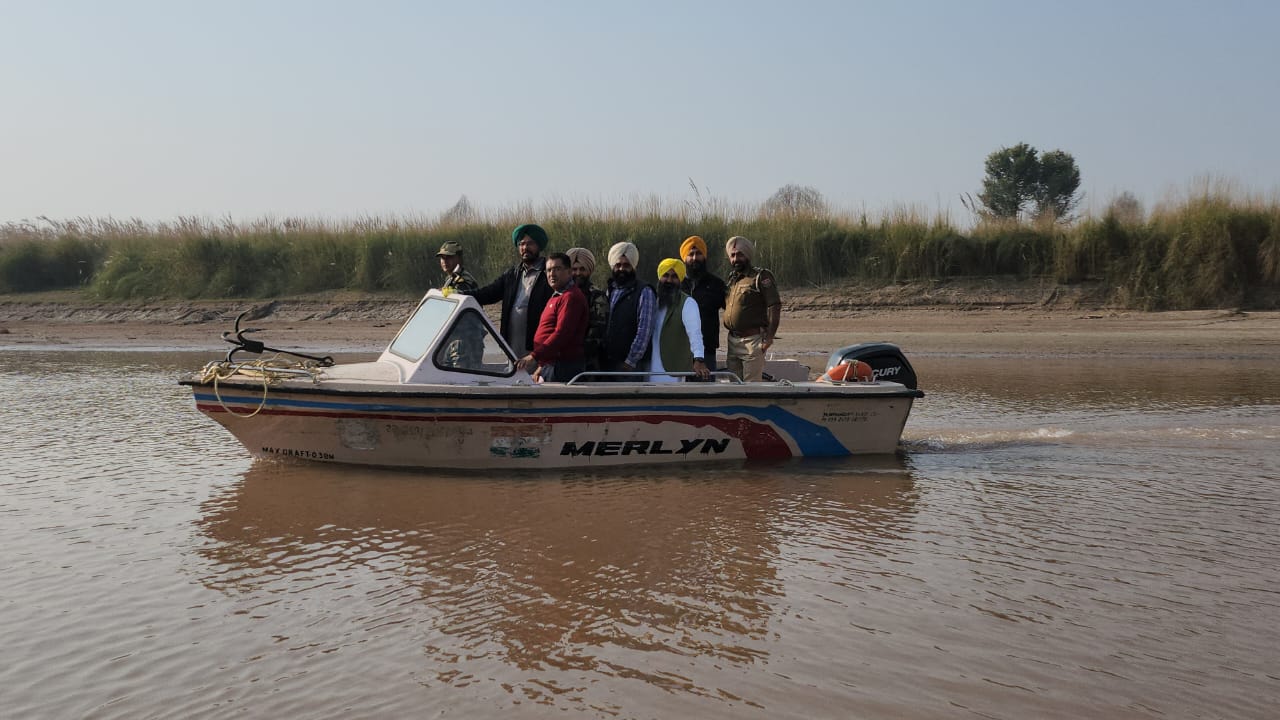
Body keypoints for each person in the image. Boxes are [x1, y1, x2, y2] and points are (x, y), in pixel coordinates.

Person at [465, 223, 552, 358]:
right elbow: (488, 294)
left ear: (539, 246)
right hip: (511, 344)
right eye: (522, 244)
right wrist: (460, 294)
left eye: (530, 243)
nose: (525, 248)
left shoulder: (549, 274)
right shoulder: (512, 274)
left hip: (537, 345)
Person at [515, 253, 588, 383]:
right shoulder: (557, 295)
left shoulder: (571, 297)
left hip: (563, 366)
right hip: (550, 364)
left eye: (557, 269)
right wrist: (542, 366)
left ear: (569, 272)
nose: (552, 274)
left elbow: (562, 334)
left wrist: (534, 357)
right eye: (549, 270)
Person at [722, 235, 781, 382]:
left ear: (747, 255)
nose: (736, 259)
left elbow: (774, 305)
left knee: (751, 387)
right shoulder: (732, 279)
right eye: (733, 255)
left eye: (740, 254)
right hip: (732, 341)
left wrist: (769, 338)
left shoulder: (760, 276)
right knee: (733, 386)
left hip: (752, 342)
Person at [647, 258, 710, 382]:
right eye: (666, 275)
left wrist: (699, 359)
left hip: (672, 372)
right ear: (660, 277)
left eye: (675, 276)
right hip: (648, 369)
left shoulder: (688, 303)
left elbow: (695, 334)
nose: (669, 280)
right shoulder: (652, 301)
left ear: (680, 279)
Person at [601, 241, 656, 380]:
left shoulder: (644, 291)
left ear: (633, 267)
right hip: (607, 362)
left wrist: (631, 360)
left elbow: (644, 330)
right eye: (618, 265)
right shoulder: (610, 290)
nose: (621, 269)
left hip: (629, 366)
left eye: (626, 265)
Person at [678, 235, 727, 372]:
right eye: (691, 254)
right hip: (679, 351)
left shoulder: (716, 284)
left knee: (706, 391)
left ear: (704, 256)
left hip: (707, 352)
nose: (694, 258)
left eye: (698, 253)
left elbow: (733, 311)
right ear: (684, 258)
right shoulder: (676, 285)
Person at [435, 240, 482, 368]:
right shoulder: (451, 278)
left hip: (465, 339)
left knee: (463, 379)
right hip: (455, 337)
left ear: (459, 259)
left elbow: (465, 298)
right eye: (442, 258)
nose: (445, 261)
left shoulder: (463, 280)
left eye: (449, 257)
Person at [565, 247, 609, 372]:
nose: (578, 273)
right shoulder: (561, 294)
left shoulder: (597, 295)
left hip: (587, 361)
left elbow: (597, 331)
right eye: (574, 269)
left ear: (589, 270)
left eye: (582, 269)